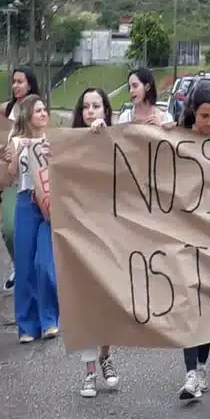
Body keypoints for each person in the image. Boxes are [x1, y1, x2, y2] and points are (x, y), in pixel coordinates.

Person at [162, 82, 210, 402]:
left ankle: (201, 366)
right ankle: (190, 374)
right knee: (189, 304)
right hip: (183, 236)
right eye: (204, 116)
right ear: (192, 112)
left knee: (208, 305)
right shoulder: (175, 139)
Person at [71, 87, 120, 397]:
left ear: (106, 111)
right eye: (86, 106)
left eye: (96, 106)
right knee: (85, 303)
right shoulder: (68, 144)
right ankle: (89, 371)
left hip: (110, 233)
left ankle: (105, 355)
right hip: (78, 233)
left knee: (108, 302)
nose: (91, 111)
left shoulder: (116, 140)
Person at [5, 94, 59, 343]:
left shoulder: (53, 140)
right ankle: (27, 325)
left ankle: (50, 319)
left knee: (44, 263)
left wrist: (52, 154)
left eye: (45, 110)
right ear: (28, 115)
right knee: (24, 265)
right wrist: (19, 150)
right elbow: (10, 175)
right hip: (26, 201)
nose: (43, 113)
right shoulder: (16, 140)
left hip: (48, 203)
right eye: (38, 110)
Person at [0, 68, 41, 294]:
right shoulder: (6, 110)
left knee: (30, 229)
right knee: (7, 228)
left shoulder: (36, 109)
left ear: (30, 85)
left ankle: (29, 270)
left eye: (20, 82)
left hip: (32, 179)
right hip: (10, 178)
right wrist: (3, 152)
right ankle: (18, 263)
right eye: (13, 82)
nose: (16, 86)